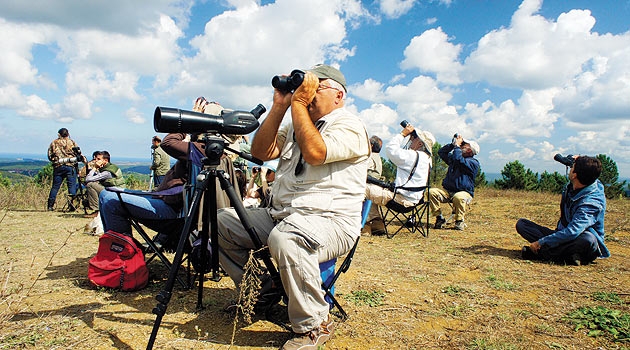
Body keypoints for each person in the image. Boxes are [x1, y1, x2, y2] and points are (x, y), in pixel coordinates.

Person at [216, 64, 369, 350]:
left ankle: (314, 325)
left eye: (315, 87)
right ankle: (264, 293)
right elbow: (260, 153)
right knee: (222, 221)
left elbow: (315, 152)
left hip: (330, 222)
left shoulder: (349, 125)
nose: (306, 93)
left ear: (338, 95)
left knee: (287, 239)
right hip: (282, 216)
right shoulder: (295, 122)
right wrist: (280, 106)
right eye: (304, 87)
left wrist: (297, 104)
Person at [98, 97, 240, 246]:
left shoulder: (202, 151)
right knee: (107, 195)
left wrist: (190, 121)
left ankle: (122, 253)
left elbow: (168, 142)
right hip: (174, 207)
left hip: (174, 214)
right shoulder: (215, 152)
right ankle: (123, 249)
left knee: (109, 199)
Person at [516, 156, 609, 265]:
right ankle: (568, 256)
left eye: (572, 167)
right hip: (563, 233)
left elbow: (573, 231)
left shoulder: (590, 203)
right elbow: (590, 169)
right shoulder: (588, 179)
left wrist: (542, 242)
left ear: (574, 175)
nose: (570, 168)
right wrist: (578, 159)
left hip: (580, 239)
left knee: (588, 239)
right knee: (522, 225)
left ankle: (542, 253)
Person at [365, 125, 433, 210]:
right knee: (373, 189)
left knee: (357, 187)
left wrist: (403, 134)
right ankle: (375, 219)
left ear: (419, 143)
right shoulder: (427, 159)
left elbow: (390, 149)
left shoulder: (414, 156)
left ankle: (359, 219)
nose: (411, 140)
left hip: (400, 200)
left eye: (414, 138)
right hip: (413, 201)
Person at [429, 134, 480, 231]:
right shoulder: (455, 158)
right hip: (448, 191)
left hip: (464, 193)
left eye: (464, 145)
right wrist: (452, 145)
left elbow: (459, 160)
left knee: (458, 197)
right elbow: (441, 152)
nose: (462, 145)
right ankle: (439, 218)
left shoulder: (473, 163)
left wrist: (457, 147)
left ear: (470, 150)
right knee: (431, 192)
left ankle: (459, 221)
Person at [46, 128, 84, 211]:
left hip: (58, 166)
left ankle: (50, 206)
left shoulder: (54, 142)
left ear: (59, 134)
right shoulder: (72, 142)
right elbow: (78, 154)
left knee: (55, 187)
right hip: (70, 166)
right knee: (72, 186)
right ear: (67, 134)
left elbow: (49, 155)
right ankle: (72, 206)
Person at [85, 151, 125, 217]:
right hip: (115, 190)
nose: (96, 161)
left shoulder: (107, 172)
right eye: (95, 159)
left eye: (98, 159)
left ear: (105, 160)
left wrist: (94, 168)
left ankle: (97, 211)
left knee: (90, 185)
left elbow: (88, 179)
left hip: (115, 192)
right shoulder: (110, 167)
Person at [361, 135, 384, 235]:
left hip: (368, 186)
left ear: (371, 145)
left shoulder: (369, 158)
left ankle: (365, 227)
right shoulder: (377, 157)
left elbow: (362, 171)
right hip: (376, 187)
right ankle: (377, 224)